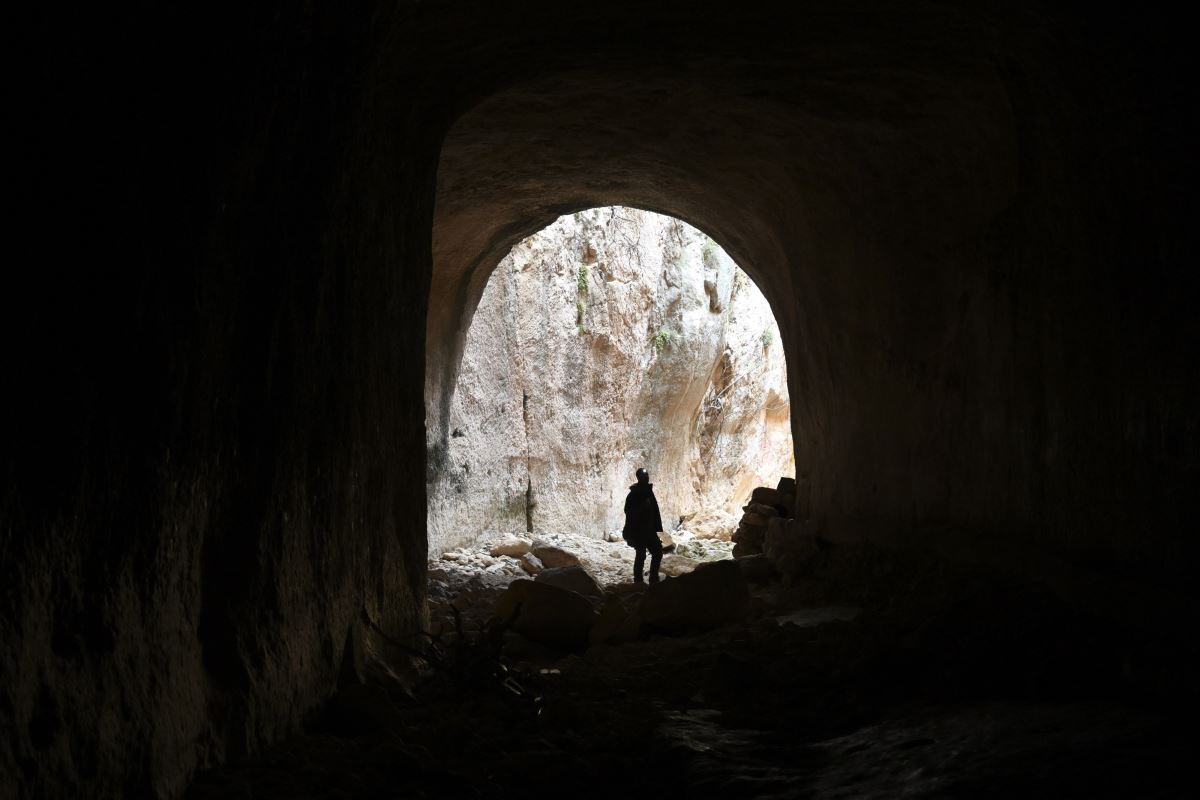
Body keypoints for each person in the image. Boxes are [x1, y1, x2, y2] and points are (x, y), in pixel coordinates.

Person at [622, 468, 664, 584]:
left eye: (647, 475)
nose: (646, 477)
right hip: (638, 531)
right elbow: (628, 511)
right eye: (643, 475)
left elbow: (654, 510)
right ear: (639, 477)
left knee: (658, 552)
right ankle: (638, 581)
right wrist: (641, 509)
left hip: (649, 531)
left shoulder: (649, 492)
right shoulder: (633, 494)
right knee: (641, 555)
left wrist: (655, 527)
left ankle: (653, 578)